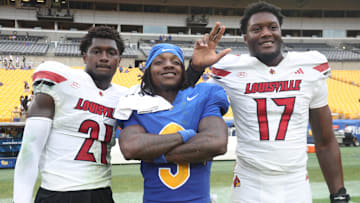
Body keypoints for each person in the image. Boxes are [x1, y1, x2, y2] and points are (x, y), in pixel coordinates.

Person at [188, 2, 350, 203]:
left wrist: (339, 193)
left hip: (296, 181)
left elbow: (325, 141)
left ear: (281, 33)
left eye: (273, 27)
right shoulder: (230, 69)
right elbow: (183, 104)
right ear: (246, 39)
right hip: (248, 182)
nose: (266, 33)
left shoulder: (311, 66)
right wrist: (195, 69)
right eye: (257, 29)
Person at [13, 26, 128, 203]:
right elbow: (31, 149)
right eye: (96, 51)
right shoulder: (63, 81)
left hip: (101, 192)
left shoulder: (125, 96)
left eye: (111, 52)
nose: (104, 58)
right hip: (59, 193)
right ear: (84, 56)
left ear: (119, 59)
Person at [115, 43, 229, 203]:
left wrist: (153, 154)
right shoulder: (135, 102)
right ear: (147, 71)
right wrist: (186, 135)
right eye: (159, 62)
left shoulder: (204, 94)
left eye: (176, 62)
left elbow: (216, 143)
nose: (168, 65)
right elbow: (131, 148)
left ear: (183, 70)